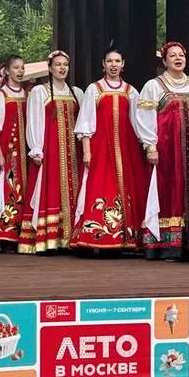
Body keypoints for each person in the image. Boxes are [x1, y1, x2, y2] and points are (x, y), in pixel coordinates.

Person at [70, 49, 148, 252]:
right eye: (110, 61)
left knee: (129, 187)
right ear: (103, 64)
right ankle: (97, 237)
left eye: (117, 61)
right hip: (101, 148)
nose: (114, 64)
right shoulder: (94, 89)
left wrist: (146, 145)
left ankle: (127, 237)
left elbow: (138, 123)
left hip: (126, 148)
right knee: (100, 185)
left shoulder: (131, 91)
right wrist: (87, 150)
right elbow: (86, 122)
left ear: (123, 64)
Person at [135, 41, 189, 260]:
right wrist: (150, 146)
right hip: (167, 151)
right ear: (164, 61)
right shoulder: (154, 86)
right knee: (167, 191)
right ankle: (167, 244)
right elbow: (144, 118)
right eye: (172, 55)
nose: (178, 58)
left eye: (181, 55)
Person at [25, 50, 83, 252]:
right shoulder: (40, 92)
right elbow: (34, 119)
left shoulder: (76, 92)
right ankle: (49, 239)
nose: (62, 68)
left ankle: (69, 236)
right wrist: (36, 147)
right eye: (58, 64)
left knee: (73, 189)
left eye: (65, 64)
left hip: (73, 152)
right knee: (51, 188)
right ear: (50, 68)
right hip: (50, 150)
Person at [0, 55, 34, 251]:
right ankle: (5, 234)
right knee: (7, 190)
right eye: (16, 68)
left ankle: (22, 233)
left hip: (25, 152)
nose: (20, 71)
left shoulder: (28, 95)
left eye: (22, 68)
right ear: (8, 71)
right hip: (7, 152)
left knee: (25, 190)